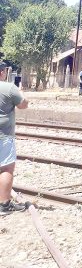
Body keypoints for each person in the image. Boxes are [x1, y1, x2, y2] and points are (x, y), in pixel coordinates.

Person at [0, 61, 29, 214]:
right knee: (5, 168)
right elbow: (23, 104)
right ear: (2, 72)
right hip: (3, 135)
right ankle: (4, 205)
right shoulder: (8, 87)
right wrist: (22, 93)